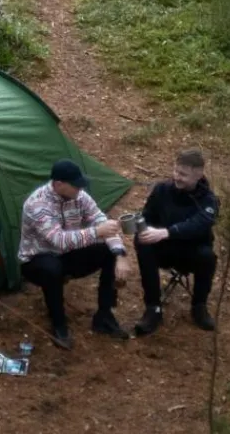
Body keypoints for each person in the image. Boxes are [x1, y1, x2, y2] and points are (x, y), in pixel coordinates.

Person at [18, 159, 131, 350]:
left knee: (107, 251)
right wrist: (97, 232)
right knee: (52, 270)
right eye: (76, 185)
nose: (80, 189)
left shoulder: (79, 197)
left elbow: (99, 219)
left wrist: (120, 253)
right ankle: (59, 324)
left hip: (68, 255)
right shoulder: (37, 205)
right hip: (36, 259)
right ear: (59, 184)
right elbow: (59, 240)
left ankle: (104, 315)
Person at [134, 148, 219, 336]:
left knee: (208, 257)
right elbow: (147, 215)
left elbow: (200, 224)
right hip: (164, 250)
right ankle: (153, 308)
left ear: (198, 175)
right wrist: (142, 228)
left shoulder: (208, 199)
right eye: (176, 171)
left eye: (183, 174)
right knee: (142, 243)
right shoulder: (162, 190)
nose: (177, 177)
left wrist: (167, 232)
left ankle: (199, 306)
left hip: (192, 252)